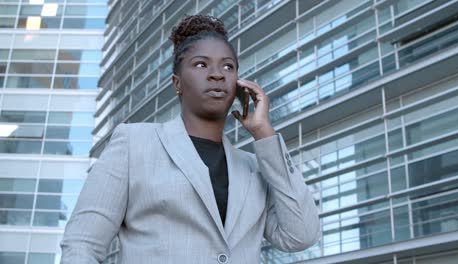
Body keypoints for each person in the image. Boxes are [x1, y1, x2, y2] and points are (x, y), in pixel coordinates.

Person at [60, 15, 321, 263]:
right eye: (200, 64)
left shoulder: (255, 167)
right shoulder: (134, 143)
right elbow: (83, 243)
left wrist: (265, 134)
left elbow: (301, 235)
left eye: (228, 66)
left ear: (239, 84)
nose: (217, 74)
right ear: (177, 83)